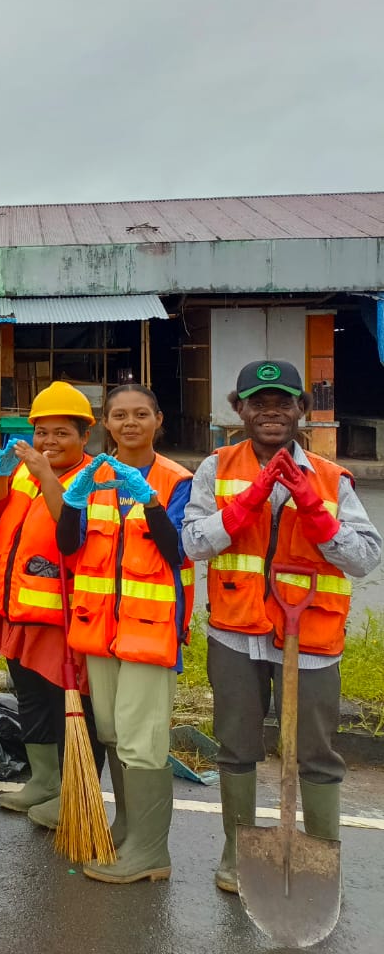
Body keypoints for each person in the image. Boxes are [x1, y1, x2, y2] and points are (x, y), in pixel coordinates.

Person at [183, 359, 381, 895]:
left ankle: (318, 852)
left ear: (302, 410)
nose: (271, 410)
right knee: (236, 745)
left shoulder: (330, 477)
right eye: (258, 401)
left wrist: (316, 511)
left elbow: (364, 558)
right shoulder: (215, 469)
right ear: (239, 409)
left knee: (316, 751)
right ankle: (235, 848)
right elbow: (193, 543)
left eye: (283, 401)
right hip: (235, 634)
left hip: (312, 641)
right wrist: (246, 503)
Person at [57, 385, 193, 883]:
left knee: (142, 742)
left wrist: (152, 503)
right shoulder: (93, 477)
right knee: (113, 735)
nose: (130, 422)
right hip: (100, 631)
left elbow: (178, 552)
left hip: (149, 632)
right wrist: (73, 502)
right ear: (106, 424)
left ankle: (152, 852)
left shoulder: (178, 480)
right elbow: (69, 548)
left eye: (141, 414)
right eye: (119, 415)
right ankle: (127, 826)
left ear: (159, 420)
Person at [0, 381, 101, 825]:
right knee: (29, 697)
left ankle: (73, 790)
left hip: (61, 615)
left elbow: (71, 528)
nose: (49, 442)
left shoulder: (93, 476)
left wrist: (44, 472)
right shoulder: (25, 474)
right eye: (42, 432)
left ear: (84, 436)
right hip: (18, 609)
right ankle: (44, 780)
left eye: (62, 433)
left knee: (65, 701)